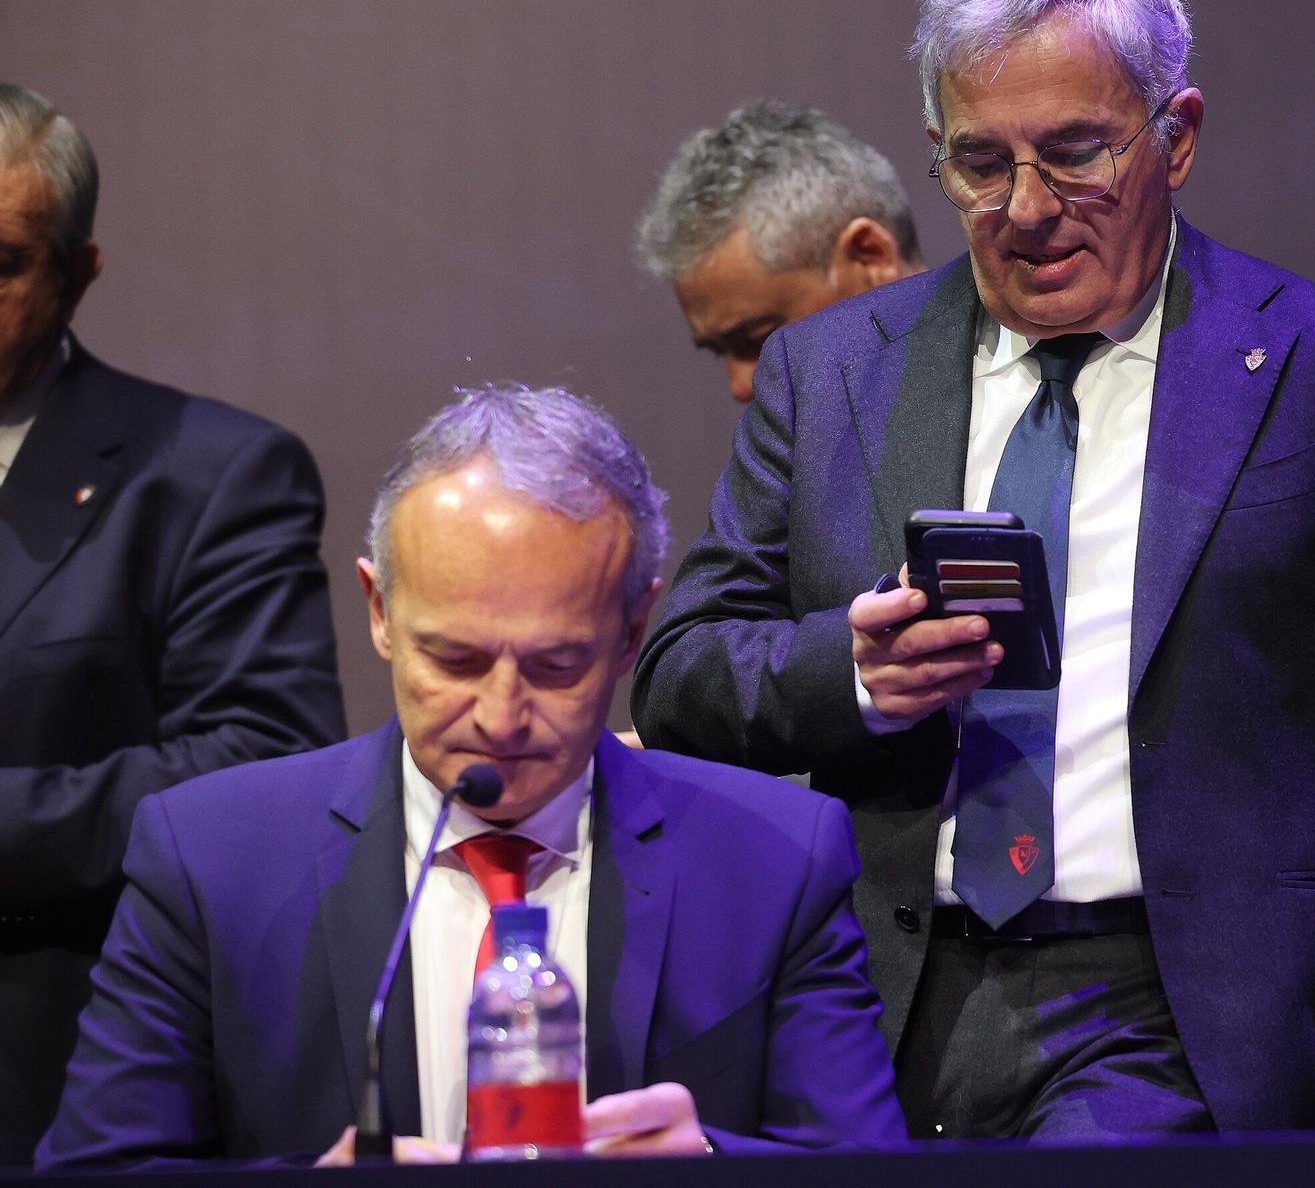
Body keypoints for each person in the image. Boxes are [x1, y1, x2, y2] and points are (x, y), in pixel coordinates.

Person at [633, 0, 1315, 1138]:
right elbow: (679, 671)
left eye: (1074, 153)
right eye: (979, 164)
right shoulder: (830, 371)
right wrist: (851, 670)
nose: (1026, 209)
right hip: (875, 1007)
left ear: (1177, 136)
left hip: (1176, 1013)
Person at [37, 386, 903, 1169]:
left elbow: (870, 1171)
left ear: (635, 627)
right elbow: (96, 1174)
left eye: (558, 665)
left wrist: (710, 1160)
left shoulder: (775, 859)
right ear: (379, 611)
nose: (501, 715)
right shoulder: (209, 858)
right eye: (454, 659)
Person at [0, 82, 346, 1164]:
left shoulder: (211, 474)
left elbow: (259, 763)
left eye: (1, 264)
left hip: (52, 1077)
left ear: (77, 276)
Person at [636, 100, 924, 404]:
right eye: (720, 351)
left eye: (761, 340)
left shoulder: (977, 435)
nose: (740, 387)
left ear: (869, 257)